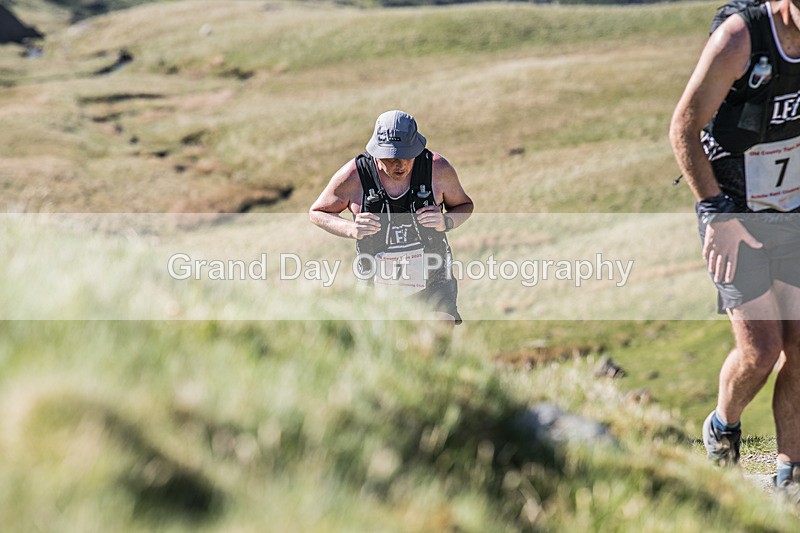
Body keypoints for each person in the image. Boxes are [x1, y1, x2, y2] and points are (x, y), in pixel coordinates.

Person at [669, 0, 800, 498]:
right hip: (736, 215)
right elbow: (683, 125)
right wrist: (715, 214)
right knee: (761, 350)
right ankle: (723, 425)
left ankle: (791, 476)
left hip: (793, 214)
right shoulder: (740, 38)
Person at [310, 110, 474, 324]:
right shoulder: (354, 175)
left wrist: (447, 221)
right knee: (385, 348)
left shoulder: (437, 168)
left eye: (408, 155)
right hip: (376, 283)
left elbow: (465, 205)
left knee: (439, 338)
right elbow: (317, 212)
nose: (401, 164)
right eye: (392, 156)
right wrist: (350, 229)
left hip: (433, 276)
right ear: (377, 152)